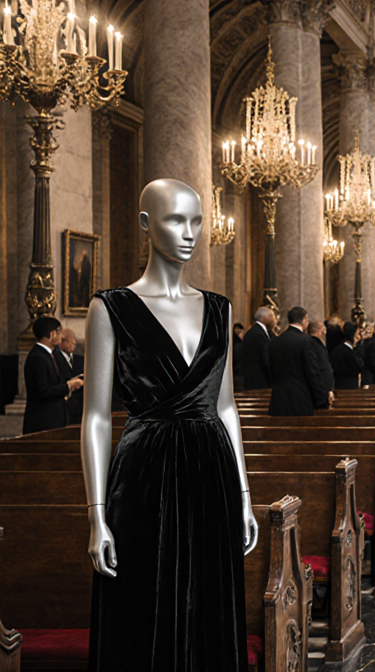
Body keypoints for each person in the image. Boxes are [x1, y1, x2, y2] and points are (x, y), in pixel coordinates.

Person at [82, 179, 255, 669]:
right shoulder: (109, 307)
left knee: (209, 604)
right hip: (142, 477)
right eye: (176, 220)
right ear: (145, 224)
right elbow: (95, 416)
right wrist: (96, 514)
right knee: (142, 605)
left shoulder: (219, 309)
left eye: (197, 221)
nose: (190, 233)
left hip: (211, 472)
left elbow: (225, 407)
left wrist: (243, 495)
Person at [23, 317, 82, 434]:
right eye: (59, 332)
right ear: (52, 334)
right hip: (43, 422)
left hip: (53, 420)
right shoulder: (38, 357)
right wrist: (68, 386)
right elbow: (44, 391)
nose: (61, 336)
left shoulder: (50, 354)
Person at [268, 306, 327, 416]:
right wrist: (322, 399)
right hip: (300, 399)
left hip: (278, 399)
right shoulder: (306, 341)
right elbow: (312, 372)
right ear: (304, 320)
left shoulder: (275, 342)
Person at [56, 327, 86, 425]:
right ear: (61, 341)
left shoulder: (81, 359)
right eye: (69, 342)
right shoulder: (55, 358)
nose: (71, 345)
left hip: (80, 402)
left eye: (74, 343)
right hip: (64, 400)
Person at [242, 306, 275, 390]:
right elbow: (265, 358)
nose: (273, 319)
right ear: (263, 317)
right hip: (259, 380)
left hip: (252, 378)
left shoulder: (254, 331)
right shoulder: (259, 334)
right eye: (271, 316)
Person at [307, 320, 335, 409]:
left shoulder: (316, 344)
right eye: (323, 328)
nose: (325, 330)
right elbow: (323, 368)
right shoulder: (315, 345)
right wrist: (327, 389)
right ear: (316, 329)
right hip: (320, 391)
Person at [330, 321, 363, 389]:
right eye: (356, 334)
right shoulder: (347, 351)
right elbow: (359, 366)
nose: (358, 337)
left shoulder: (340, 349)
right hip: (347, 386)